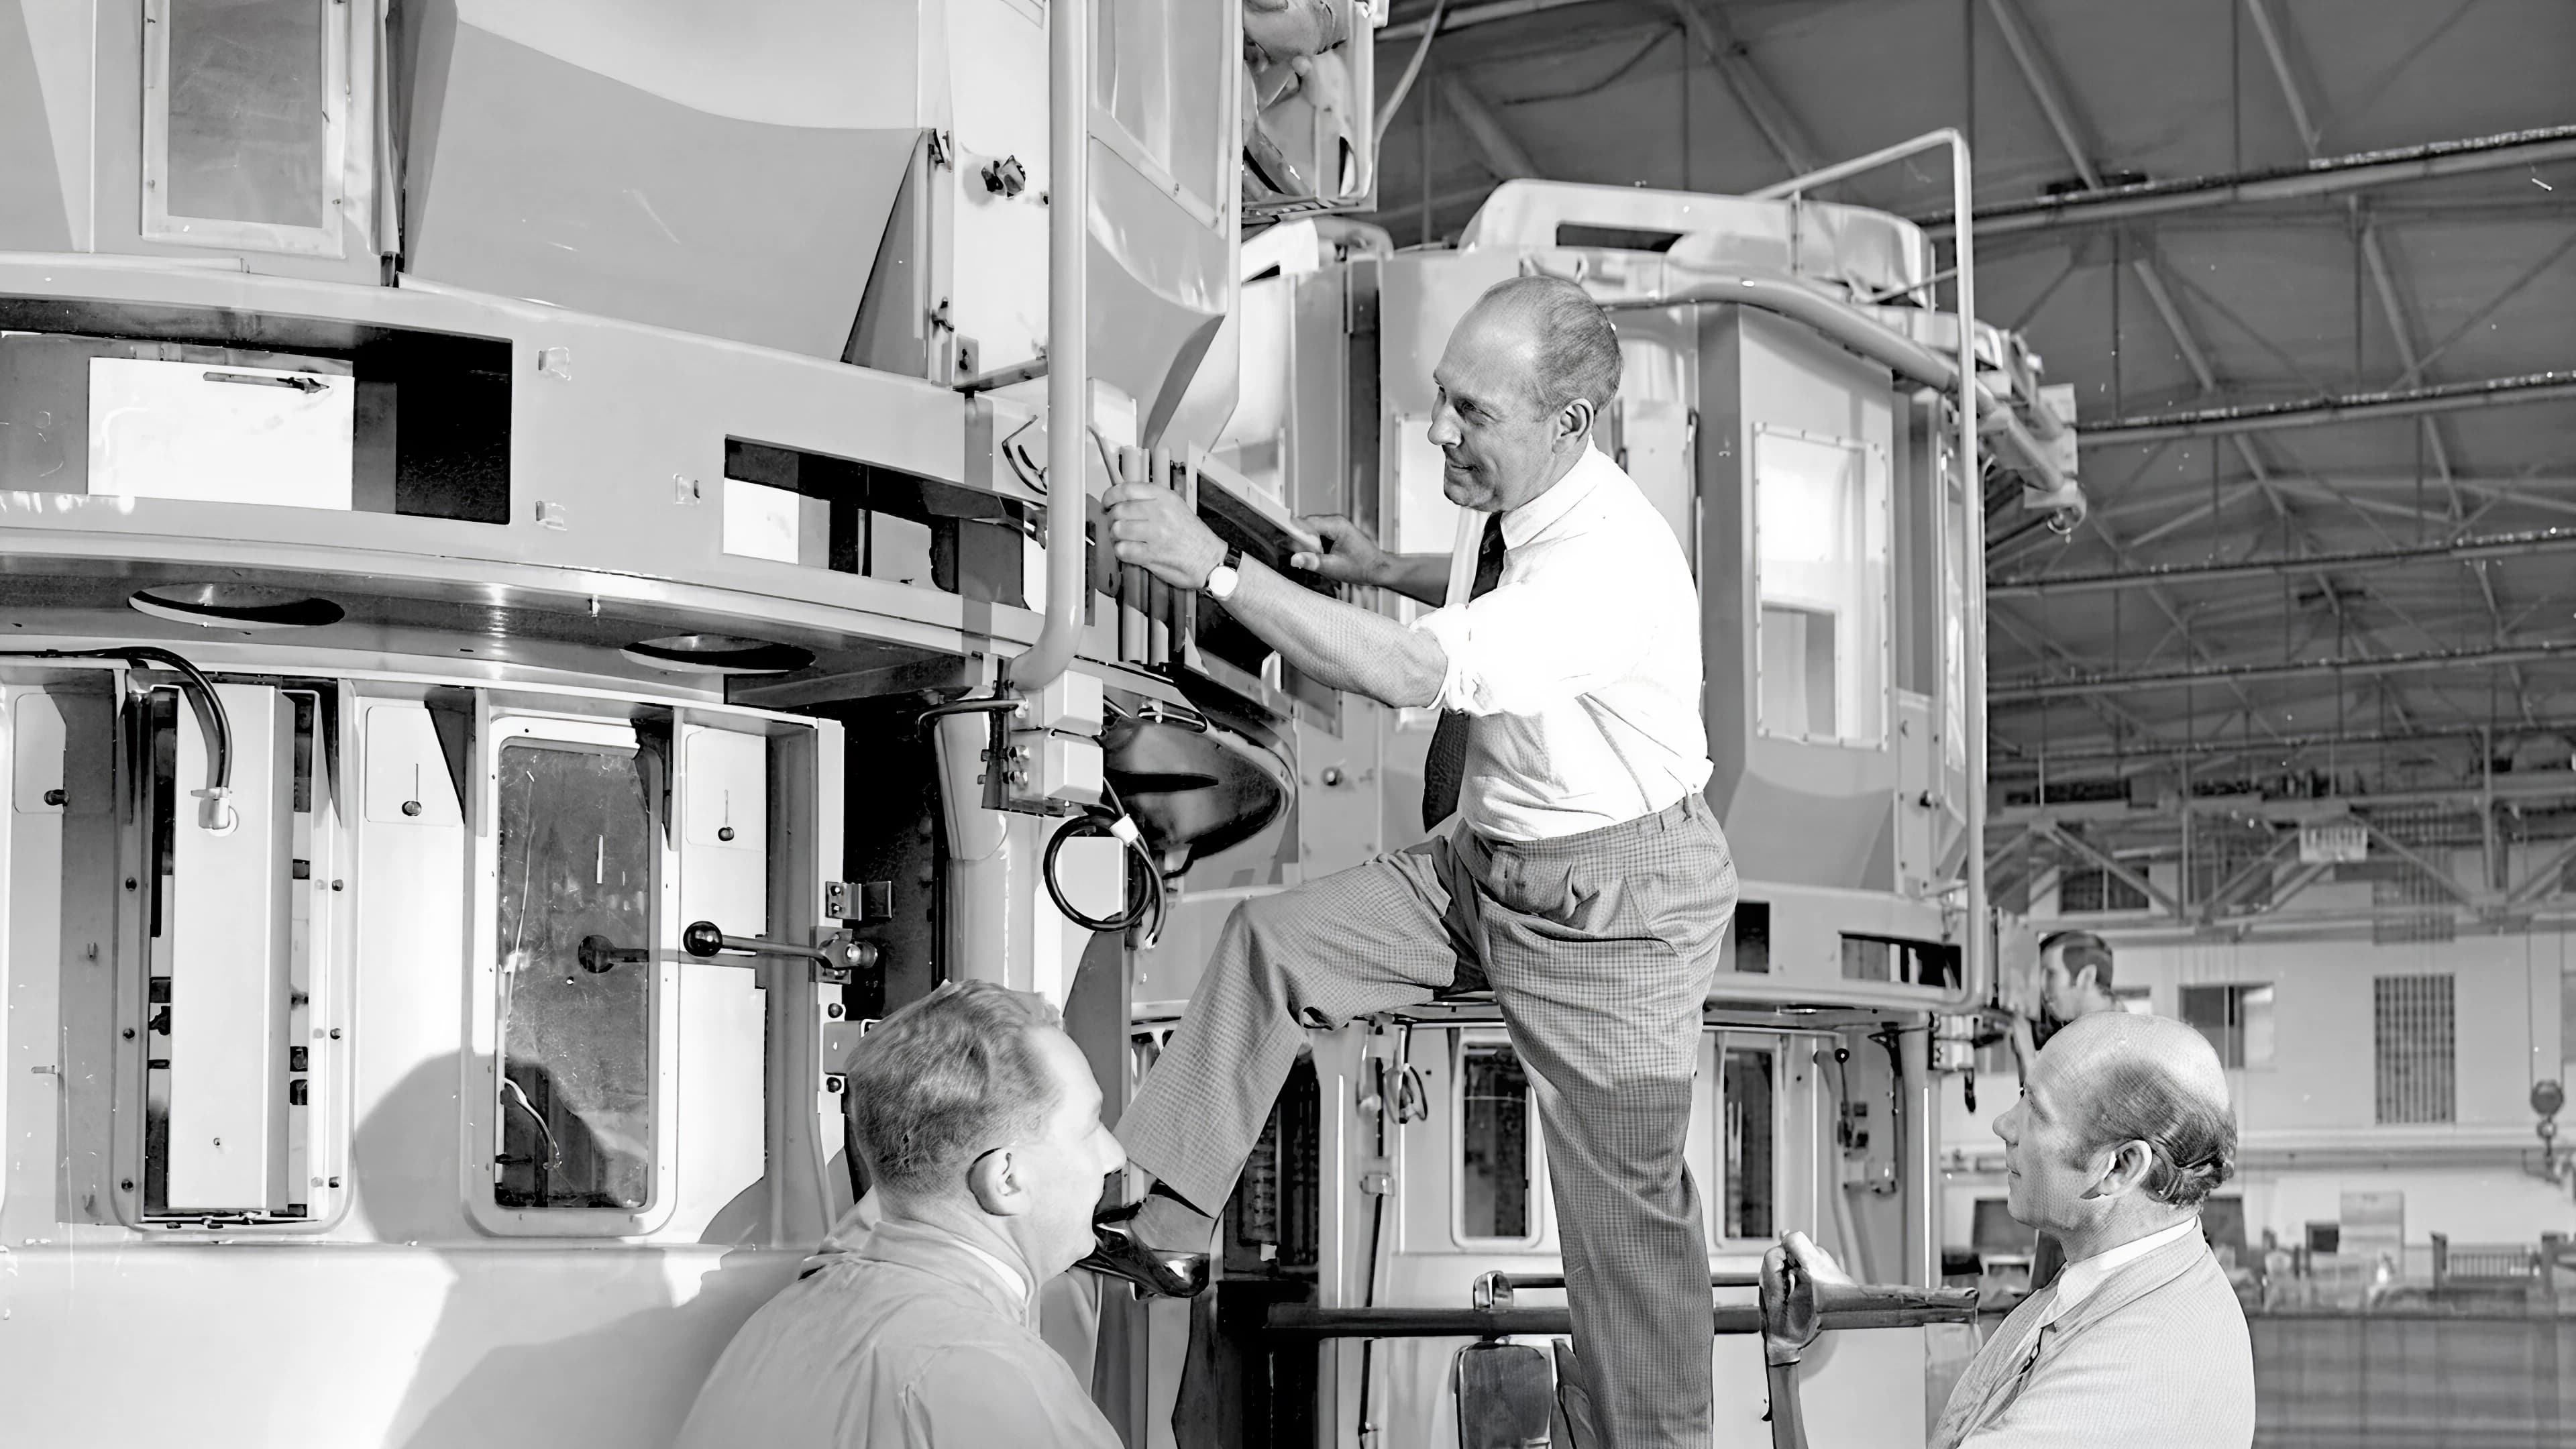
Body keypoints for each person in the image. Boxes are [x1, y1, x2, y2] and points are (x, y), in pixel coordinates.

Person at [1095, 274, 1735, 1447]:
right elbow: (1484, 584)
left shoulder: (1610, 565)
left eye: (1471, 413)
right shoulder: (1523, 491)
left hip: (1612, 908)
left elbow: (1404, 675)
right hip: (1483, 863)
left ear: (1568, 426)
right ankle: (1171, 1223)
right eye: (1441, 400)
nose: (1442, 430)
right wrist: (1379, 571)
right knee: (1273, 944)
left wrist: (1215, 571)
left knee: (1624, 1236)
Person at [674, 981, 1126, 1449]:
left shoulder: (783, 1320)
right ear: (1007, 1180)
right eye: (1090, 1126)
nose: (1114, 1155)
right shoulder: (990, 1373)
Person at [1778, 1012, 2255, 1448]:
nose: (2004, 1124)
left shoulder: (2149, 1360)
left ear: (2121, 1166)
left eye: (2036, 1110)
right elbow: (1976, 1415)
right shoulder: (2108, 1283)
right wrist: (1846, 1315)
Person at [2017, 928, 2121, 1291]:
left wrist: (2020, 1043)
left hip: (2092, 1221)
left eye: (2051, 973)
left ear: (2087, 976)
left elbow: (2050, 1114)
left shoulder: (2113, 1042)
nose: (2043, 987)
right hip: (2073, 1216)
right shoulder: (2081, 1038)